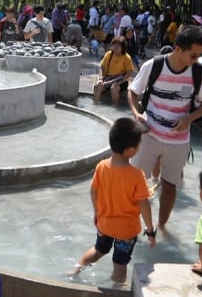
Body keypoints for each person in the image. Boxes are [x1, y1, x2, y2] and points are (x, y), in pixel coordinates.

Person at [127, 25, 202, 230]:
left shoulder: (200, 73)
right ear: (177, 49)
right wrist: (136, 113)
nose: (197, 59)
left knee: (170, 184)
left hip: (179, 140)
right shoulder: (153, 66)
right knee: (135, 182)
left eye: (199, 55)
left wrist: (190, 118)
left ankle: (161, 226)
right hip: (149, 134)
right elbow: (133, 92)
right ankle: (132, 226)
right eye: (193, 55)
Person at [70, 118, 156, 283]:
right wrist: (150, 229)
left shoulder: (102, 166)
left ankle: (74, 271)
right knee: (120, 264)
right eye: (139, 144)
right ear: (130, 151)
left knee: (98, 250)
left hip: (104, 223)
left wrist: (96, 212)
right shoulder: (136, 175)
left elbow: (93, 190)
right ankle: (116, 289)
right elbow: (144, 204)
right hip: (126, 231)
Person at [93, 37, 134, 105]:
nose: (116, 47)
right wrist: (100, 78)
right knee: (98, 85)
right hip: (108, 79)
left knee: (114, 88)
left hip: (121, 80)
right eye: (114, 45)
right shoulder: (108, 54)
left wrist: (120, 82)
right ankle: (95, 104)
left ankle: (115, 107)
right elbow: (102, 67)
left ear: (123, 47)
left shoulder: (126, 57)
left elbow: (129, 72)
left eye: (118, 45)